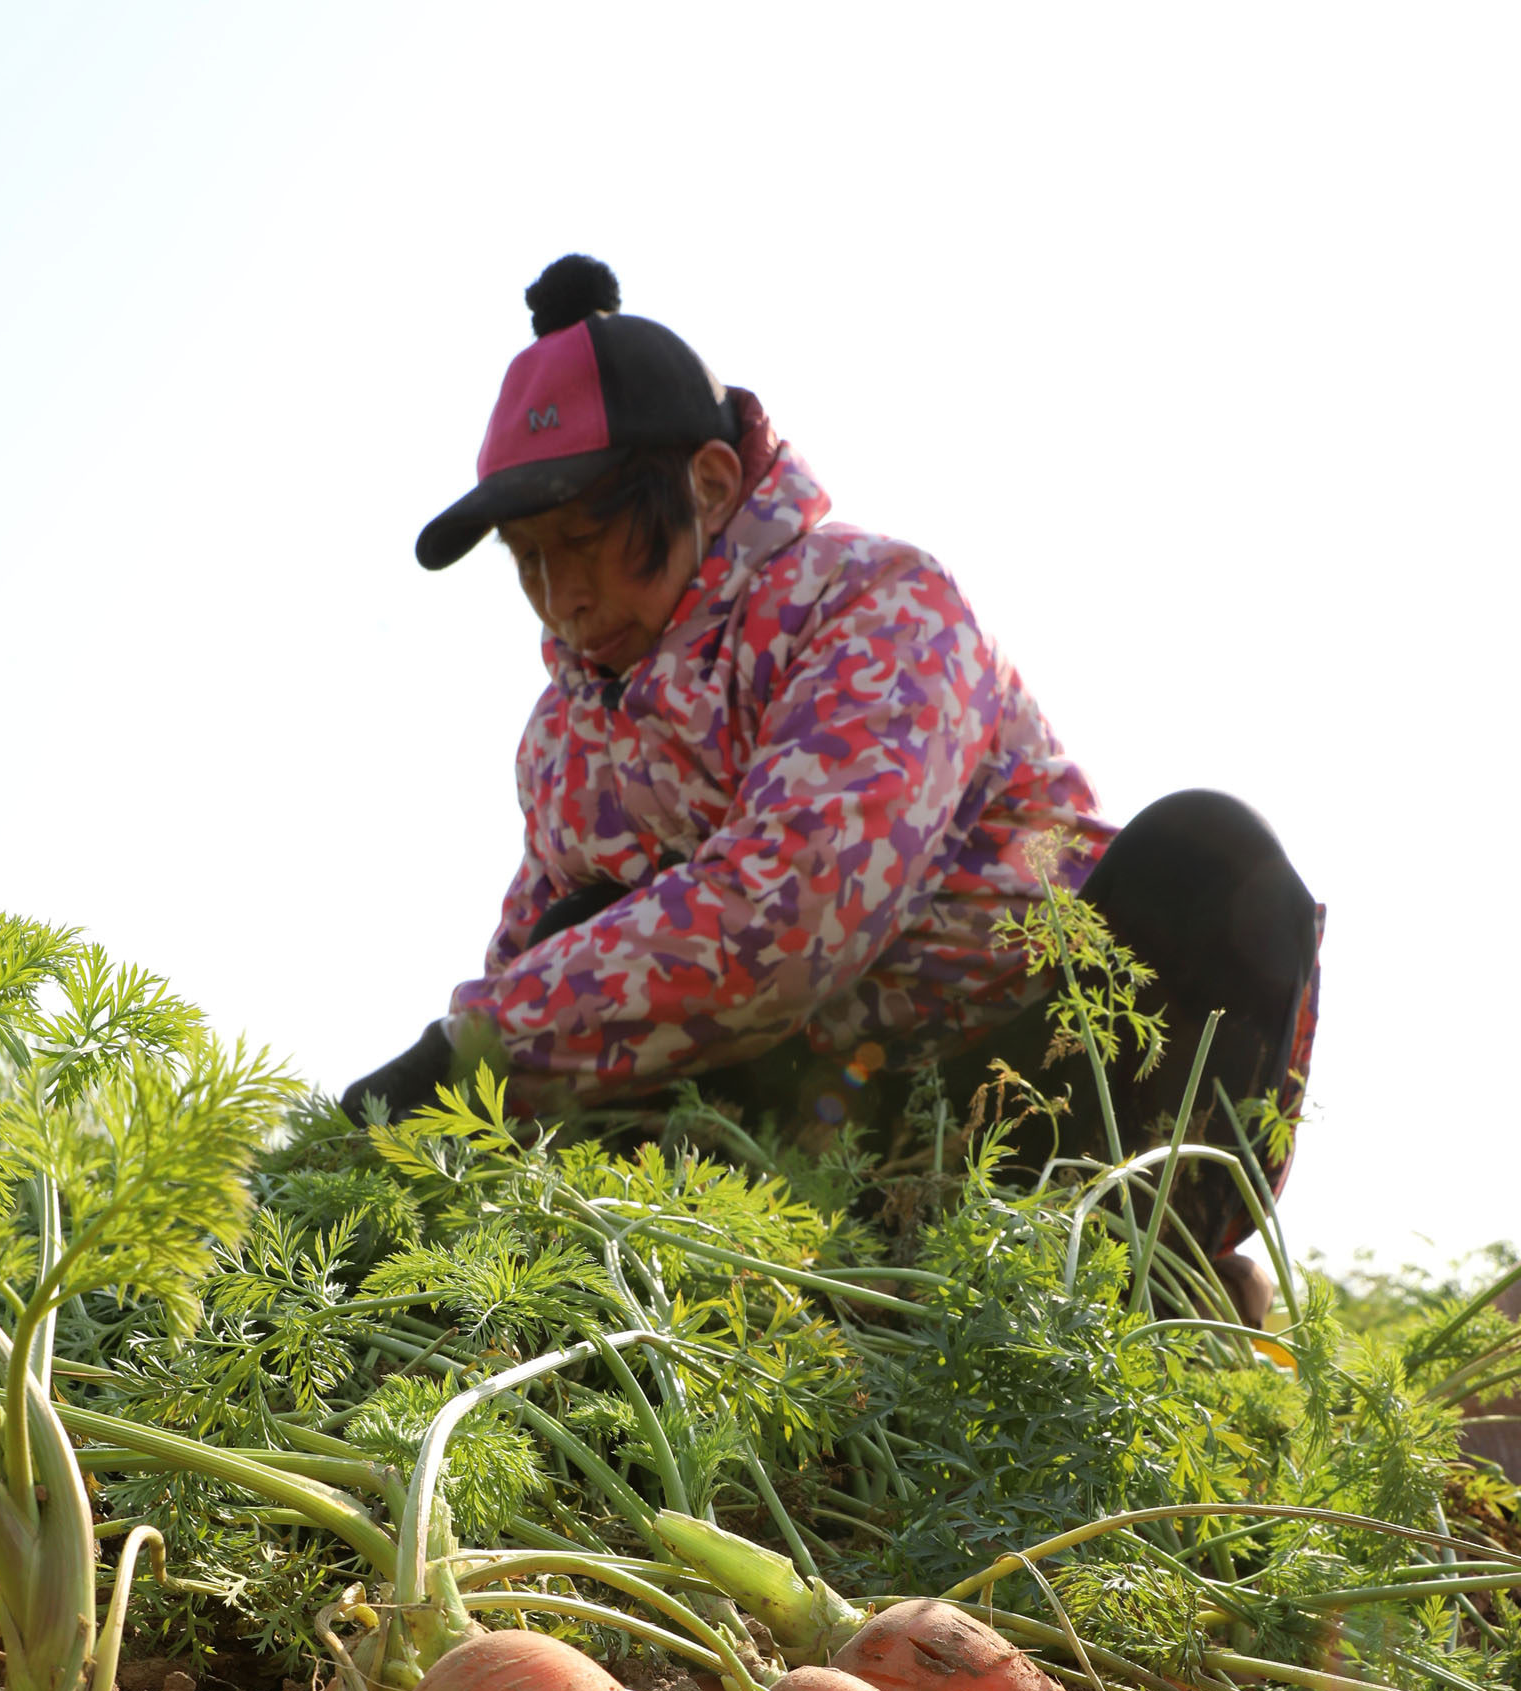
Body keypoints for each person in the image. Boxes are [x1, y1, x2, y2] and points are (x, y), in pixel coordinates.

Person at [341, 255, 1320, 1324]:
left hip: (1025, 1069)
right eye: (528, 558)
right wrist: (426, 1117)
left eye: (584, 540)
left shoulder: (871, 605)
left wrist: (475, 1040)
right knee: (572, 962)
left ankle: (1156, 1276)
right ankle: (823, 1294)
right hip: (811, 1142)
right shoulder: (565, 745)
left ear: (708, 486)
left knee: (1209, 860)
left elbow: (793, 913)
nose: (562, 595)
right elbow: (536, 974)